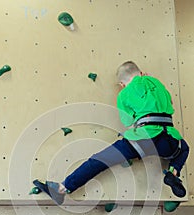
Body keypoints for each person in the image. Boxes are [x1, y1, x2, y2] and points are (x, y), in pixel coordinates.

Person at [33, 61, 189, 205]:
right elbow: (171, 104)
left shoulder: (124, 93)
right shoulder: (157, 83)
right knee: (183, 149)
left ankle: (62, 189)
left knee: (98, 161)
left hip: (142, 139)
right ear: (141, 73)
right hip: (168, 137)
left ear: (122, 84)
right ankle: (173, 173)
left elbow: (127, 121)